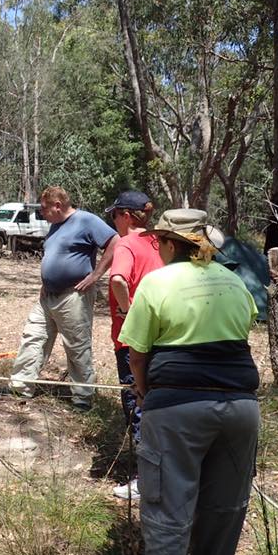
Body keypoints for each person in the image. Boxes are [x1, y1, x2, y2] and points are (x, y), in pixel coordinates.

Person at [118, 209, 259, 555]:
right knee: (226, 503)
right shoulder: (234, 281)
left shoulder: (157, 282)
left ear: (169, 243)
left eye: (159, 241)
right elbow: (243, 330)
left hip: (177, 408)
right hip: (241, 408)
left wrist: (143, 392)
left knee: (167, 506)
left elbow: (137, 353)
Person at [0, 186, 118, 410]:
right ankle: (20, 386)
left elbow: (115, 242)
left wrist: (96, 275)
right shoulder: (55, 226)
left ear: (58, 205)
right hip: (47, 297)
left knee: (77, 345)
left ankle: (83, 398)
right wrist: (46, 282)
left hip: (74, 296)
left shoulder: (86, 220)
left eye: (44, 208)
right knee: (33, 337)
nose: (41, 213)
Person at [104, 191, 165, 499]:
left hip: (132, 341)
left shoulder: (126, 243)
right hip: (163, 337)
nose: (113, 221)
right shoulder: (159, 242)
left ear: (126, 215)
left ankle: (145, 478)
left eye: (115, 215)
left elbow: (118, 279)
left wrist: (128, 311)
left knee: (137, 403)